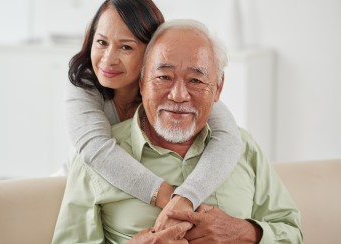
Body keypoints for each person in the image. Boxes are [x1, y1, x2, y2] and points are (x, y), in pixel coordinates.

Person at [52, 19, 302, 243]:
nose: (179, 96)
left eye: (195, 80)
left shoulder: (243, 146)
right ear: (141, 82)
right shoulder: (93, 161)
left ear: (218, 88)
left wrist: (245, 233)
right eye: (163, 77)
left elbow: (292, 233)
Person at [64, 0, 244, 229]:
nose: (108, 59)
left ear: (152, 52)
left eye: (126, 47)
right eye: (101, 42)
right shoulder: (84, 81)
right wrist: (173, 200)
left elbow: (229, 138)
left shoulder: (172, 85)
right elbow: (95, 149)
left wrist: (187, 197)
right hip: (84, 179)